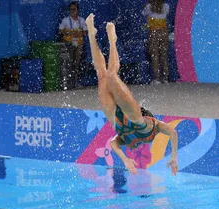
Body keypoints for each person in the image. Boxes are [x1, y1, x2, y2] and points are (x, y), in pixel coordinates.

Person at [85, 14, 178, 176]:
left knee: (101, 75)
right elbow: (172, 132)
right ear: (148, 115)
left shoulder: (129, 143)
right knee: (112, 75)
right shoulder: (153, 128)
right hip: (132, 117)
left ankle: (91, 35)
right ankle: (112, 40)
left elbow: (113, 143)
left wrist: (125, 160)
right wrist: (174, 157)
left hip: (117, 122)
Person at [58, 1, 87, 89]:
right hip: (69, 44)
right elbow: (60, 31)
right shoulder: (65, 20)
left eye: (74, 9)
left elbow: (85, 32)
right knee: (68, 63)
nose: (72, 11)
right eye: (71, 9)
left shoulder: (81, 20)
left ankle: (75, 82)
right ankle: (67, 83)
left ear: (77, 10)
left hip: (78, 44)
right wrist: (68, 32)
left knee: (76, 63)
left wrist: (78, 33)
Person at [142, 0, 170, 84]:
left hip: (153, 32)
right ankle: (165, 78)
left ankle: (157, 78)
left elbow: (143, 13)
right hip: (163, 31)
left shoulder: (149, 7)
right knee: (163, 54)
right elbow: (166, 13)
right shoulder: (166, 6)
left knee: (155, 55)